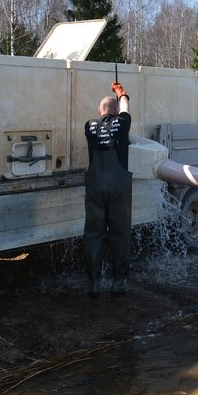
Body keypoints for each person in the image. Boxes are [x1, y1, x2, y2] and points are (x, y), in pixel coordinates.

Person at [83, 79, 132, 297]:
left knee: (94, 233)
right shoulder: (121, 124)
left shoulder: (89, 126)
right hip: (118, 187)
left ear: (99, 111)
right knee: (120, 234)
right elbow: (125, 111)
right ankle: (118, 282)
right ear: (115, 112)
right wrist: (122, 93)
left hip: (95, 186)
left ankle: (93, 283)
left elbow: (112, 115)